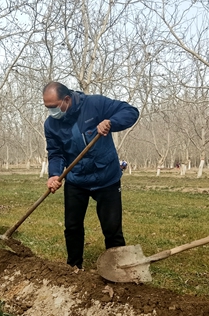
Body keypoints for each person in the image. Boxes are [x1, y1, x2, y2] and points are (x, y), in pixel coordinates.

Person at [43, 82, 139, 269]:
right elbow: (55, 153)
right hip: (76, 179)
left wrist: (111, 122)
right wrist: (54, 175)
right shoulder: (51, 125)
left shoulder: (95, 104)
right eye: (47, 108)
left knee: (112, 229)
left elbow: (130, 111)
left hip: (106, 177)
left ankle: (118, 268)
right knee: (72, 227)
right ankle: (73, 268)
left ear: (67, 100)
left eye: (53, 107)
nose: (51, 112)